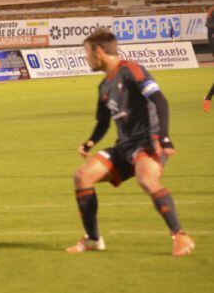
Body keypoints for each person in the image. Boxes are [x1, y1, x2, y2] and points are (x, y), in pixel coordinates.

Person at [67, 29, 194, 256]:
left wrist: (164, 137)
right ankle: (93, 239)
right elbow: (103, 122)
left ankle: (180, 236)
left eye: (87, 53)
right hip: (124, 147)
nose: (86, 58)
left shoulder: (131, 71)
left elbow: (159, 99)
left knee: (146, 179)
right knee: (82, 176)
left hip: (148, 142)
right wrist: (89, 142)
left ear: (99, 51)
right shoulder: (104, 86)